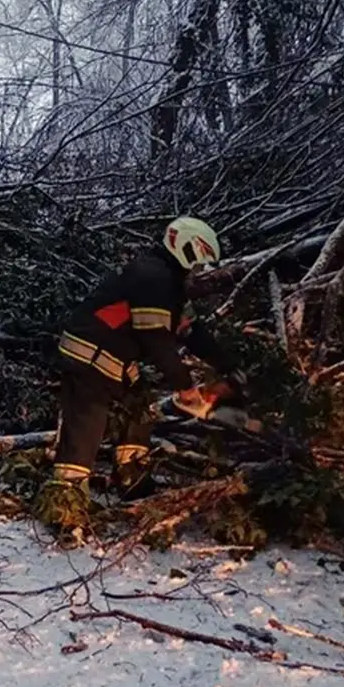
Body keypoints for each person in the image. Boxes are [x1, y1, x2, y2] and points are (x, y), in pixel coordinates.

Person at [40, 216, 241, 539]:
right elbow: (157, 342)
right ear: (186, 247)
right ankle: (65, 510)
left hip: (113, 356)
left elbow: (191, 332)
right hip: (89, 353)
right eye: (199, 260)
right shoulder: (153, 278)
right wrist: (186, 388)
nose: (199, 270)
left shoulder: (168, 284)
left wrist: (230, 365)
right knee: (86, 428)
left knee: (141, 410)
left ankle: (133, 480)